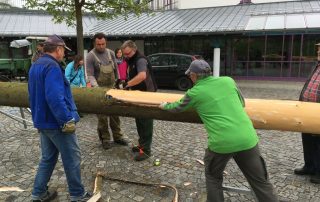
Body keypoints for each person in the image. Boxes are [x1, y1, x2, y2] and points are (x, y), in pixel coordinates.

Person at [160, 60, 278, 202]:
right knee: (261, 182)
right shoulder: (228, 81)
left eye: (190, 75)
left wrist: (164, 105)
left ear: (193, 76)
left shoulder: (194, 92)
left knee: (213, 177)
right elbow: (242, 103)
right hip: (248, 139)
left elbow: (176, 108)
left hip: (222, 143)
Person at [28, 34, 91, 202]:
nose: (64, 54)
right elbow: (54, 97)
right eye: (63, 50)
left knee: (48, 158)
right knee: (72, 157)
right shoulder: (52, 67)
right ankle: (78, 195)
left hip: (43, 122)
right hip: (56, 123)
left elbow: (34, 94)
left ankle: (38, 193)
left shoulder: (35, 65)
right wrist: (66, 120)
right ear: (58, 49)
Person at [86, 32, 128, 150]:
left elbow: (116, 70)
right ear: (95, 43)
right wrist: (96, 88)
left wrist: (119, 82)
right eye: (98, 44)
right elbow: (90, 75)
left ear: (106, 42)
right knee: (102, 117)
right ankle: (105, 139)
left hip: (112, 87)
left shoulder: (111, 53)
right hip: (99, 90)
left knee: (115, 114)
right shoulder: (90, 56)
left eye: (103, 44)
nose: (101, 46)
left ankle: (118, 136)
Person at [120, 40, 157, 161]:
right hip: (138, 95)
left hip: (147, 95)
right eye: (124, 54)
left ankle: (146, 151)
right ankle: (142, 145)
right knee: (139, 121)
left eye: (128, 53)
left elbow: (142, 76)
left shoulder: (140, 59)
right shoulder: (131, 59)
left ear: (134, 50)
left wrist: (126, 85)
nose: (125, 56)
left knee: (145, 122)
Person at [294, 43, 320, 184]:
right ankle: (309, 166)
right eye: (318, 48)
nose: (318, 51)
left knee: (318, 142)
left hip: (318, 112)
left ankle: (319, 171)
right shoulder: (317, 65)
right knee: (308, 141)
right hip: (307, 109)